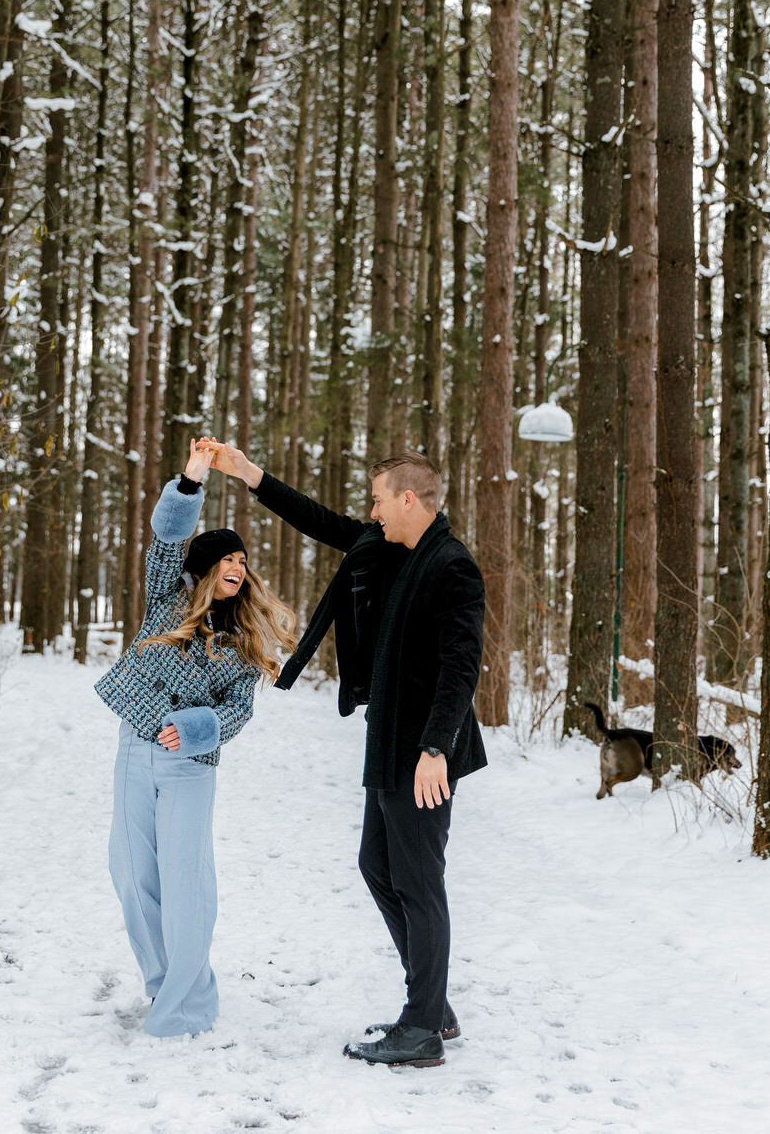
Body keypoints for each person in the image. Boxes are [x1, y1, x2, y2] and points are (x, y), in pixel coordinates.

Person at [201, 438, 487, 1069]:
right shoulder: (392, 548)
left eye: (381, 499)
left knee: (418, 881)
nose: (373, 511)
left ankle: (422, 1026)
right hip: (387, 738)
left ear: (408, 499)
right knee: (378, 866)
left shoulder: (451, 565)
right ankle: (431, 1004)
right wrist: (252, 476)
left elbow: (461, 667)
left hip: (422, 752)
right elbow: (322, 522)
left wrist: (437, 747)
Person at [94, 439, 297, 1038]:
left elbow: (238, 712)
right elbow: (164, 541)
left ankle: (187, 1007)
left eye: (243, 560)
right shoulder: (166, 599)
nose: (238, 567)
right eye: (226, 559)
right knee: (133, 879)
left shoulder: (242, 641)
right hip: (134, 750)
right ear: (204, 569)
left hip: (189, 764)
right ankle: (163, 988)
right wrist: (192, 478)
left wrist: (192, 727)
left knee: (186, 884)